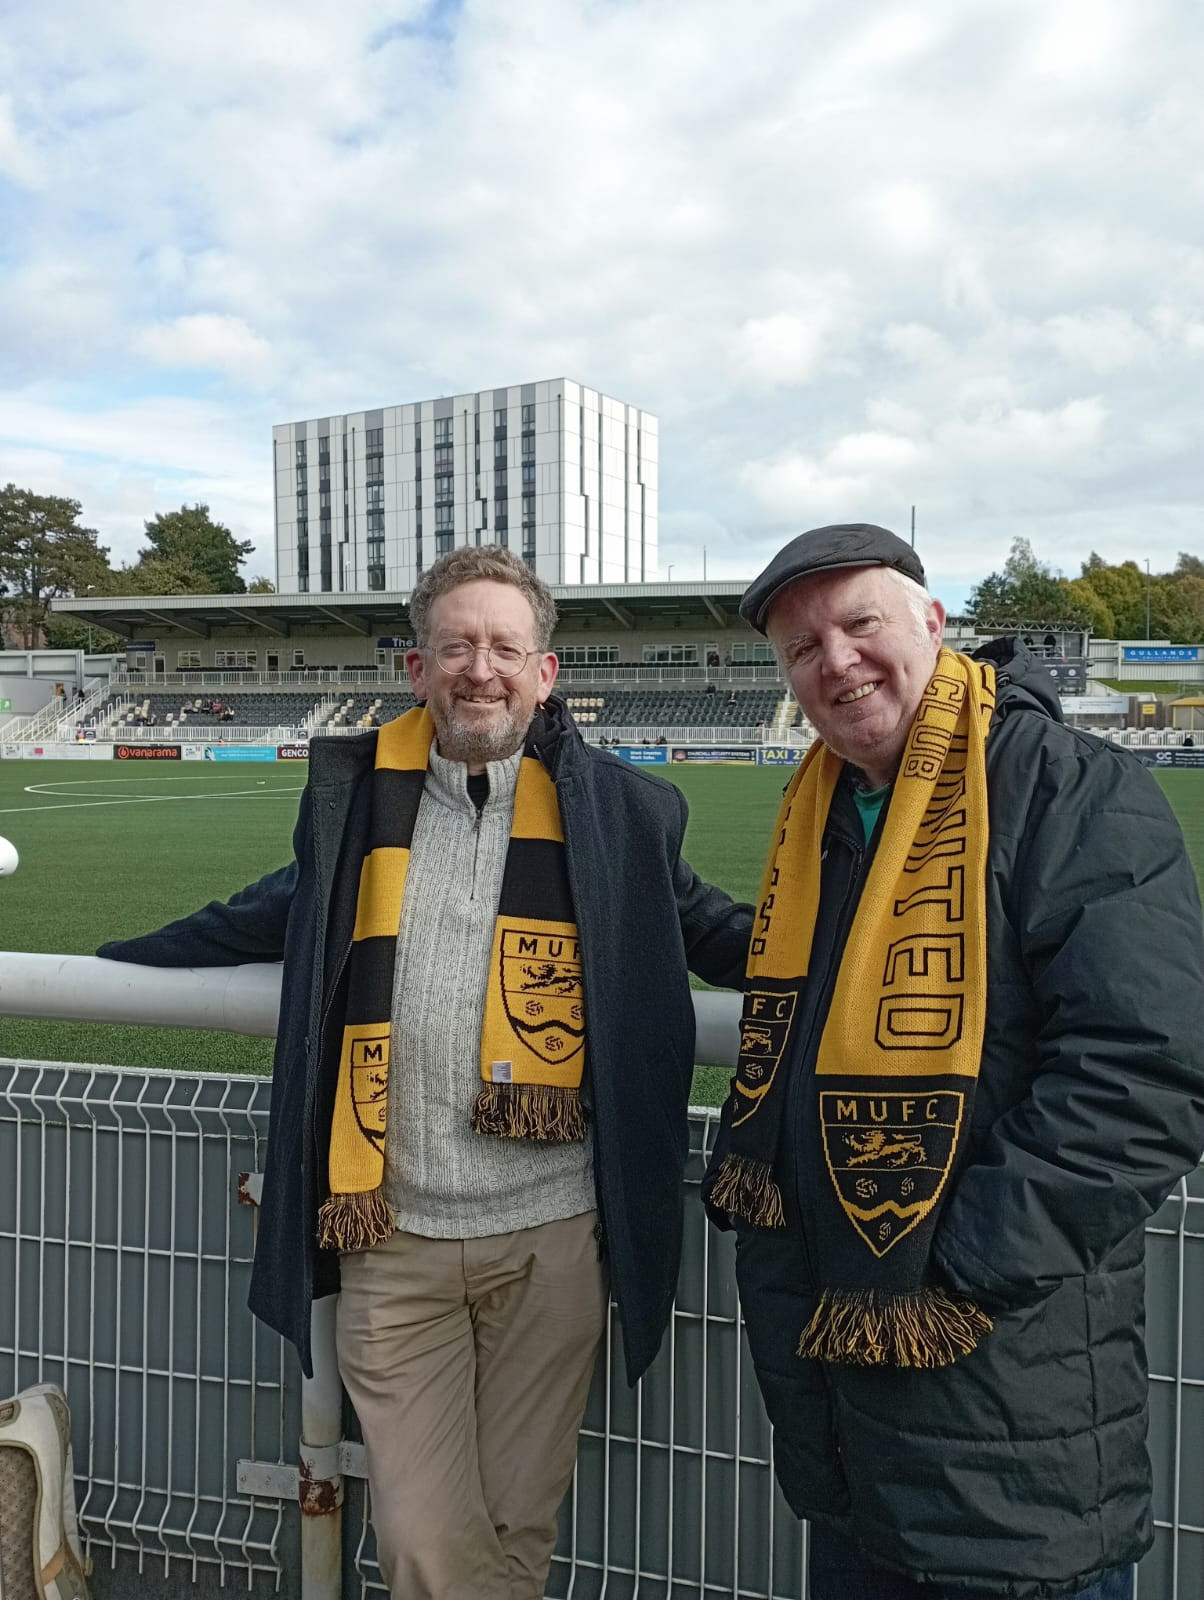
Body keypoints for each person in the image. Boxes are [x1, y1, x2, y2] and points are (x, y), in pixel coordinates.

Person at [98, 545, 751, 1600]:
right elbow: (264, 913)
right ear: (416, 667)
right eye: (455, 645)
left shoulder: (624, 813)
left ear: (545, 673)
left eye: (504, 646)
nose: (478, 669)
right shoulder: (356, 802)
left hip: (552, 1239)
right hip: (391, 1239)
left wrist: (839, 968)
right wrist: (109, 967)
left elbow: (713, 932)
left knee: (513, 1522)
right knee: (417, 1539)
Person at [702, 523, 1204, 1600]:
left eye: (858, 623)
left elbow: (1144, 1070)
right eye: (801, 647)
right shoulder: (824, 819)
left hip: (1007, 1409)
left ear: (934, 622)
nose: (833, 661)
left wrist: (953, 1268)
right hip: (844, 1418)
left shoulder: (1068, 788)